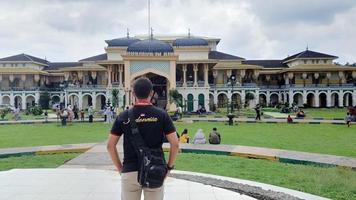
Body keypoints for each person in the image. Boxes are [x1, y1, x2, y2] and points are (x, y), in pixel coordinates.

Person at [107, 77, 179, 200]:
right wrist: (169, 167)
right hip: (154, 169)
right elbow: (175, 144)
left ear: (133, 93)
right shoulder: (162, 115)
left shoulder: (123, 116)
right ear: (152, 93)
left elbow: (110, 146)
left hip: (130, 170)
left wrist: (121, 168)